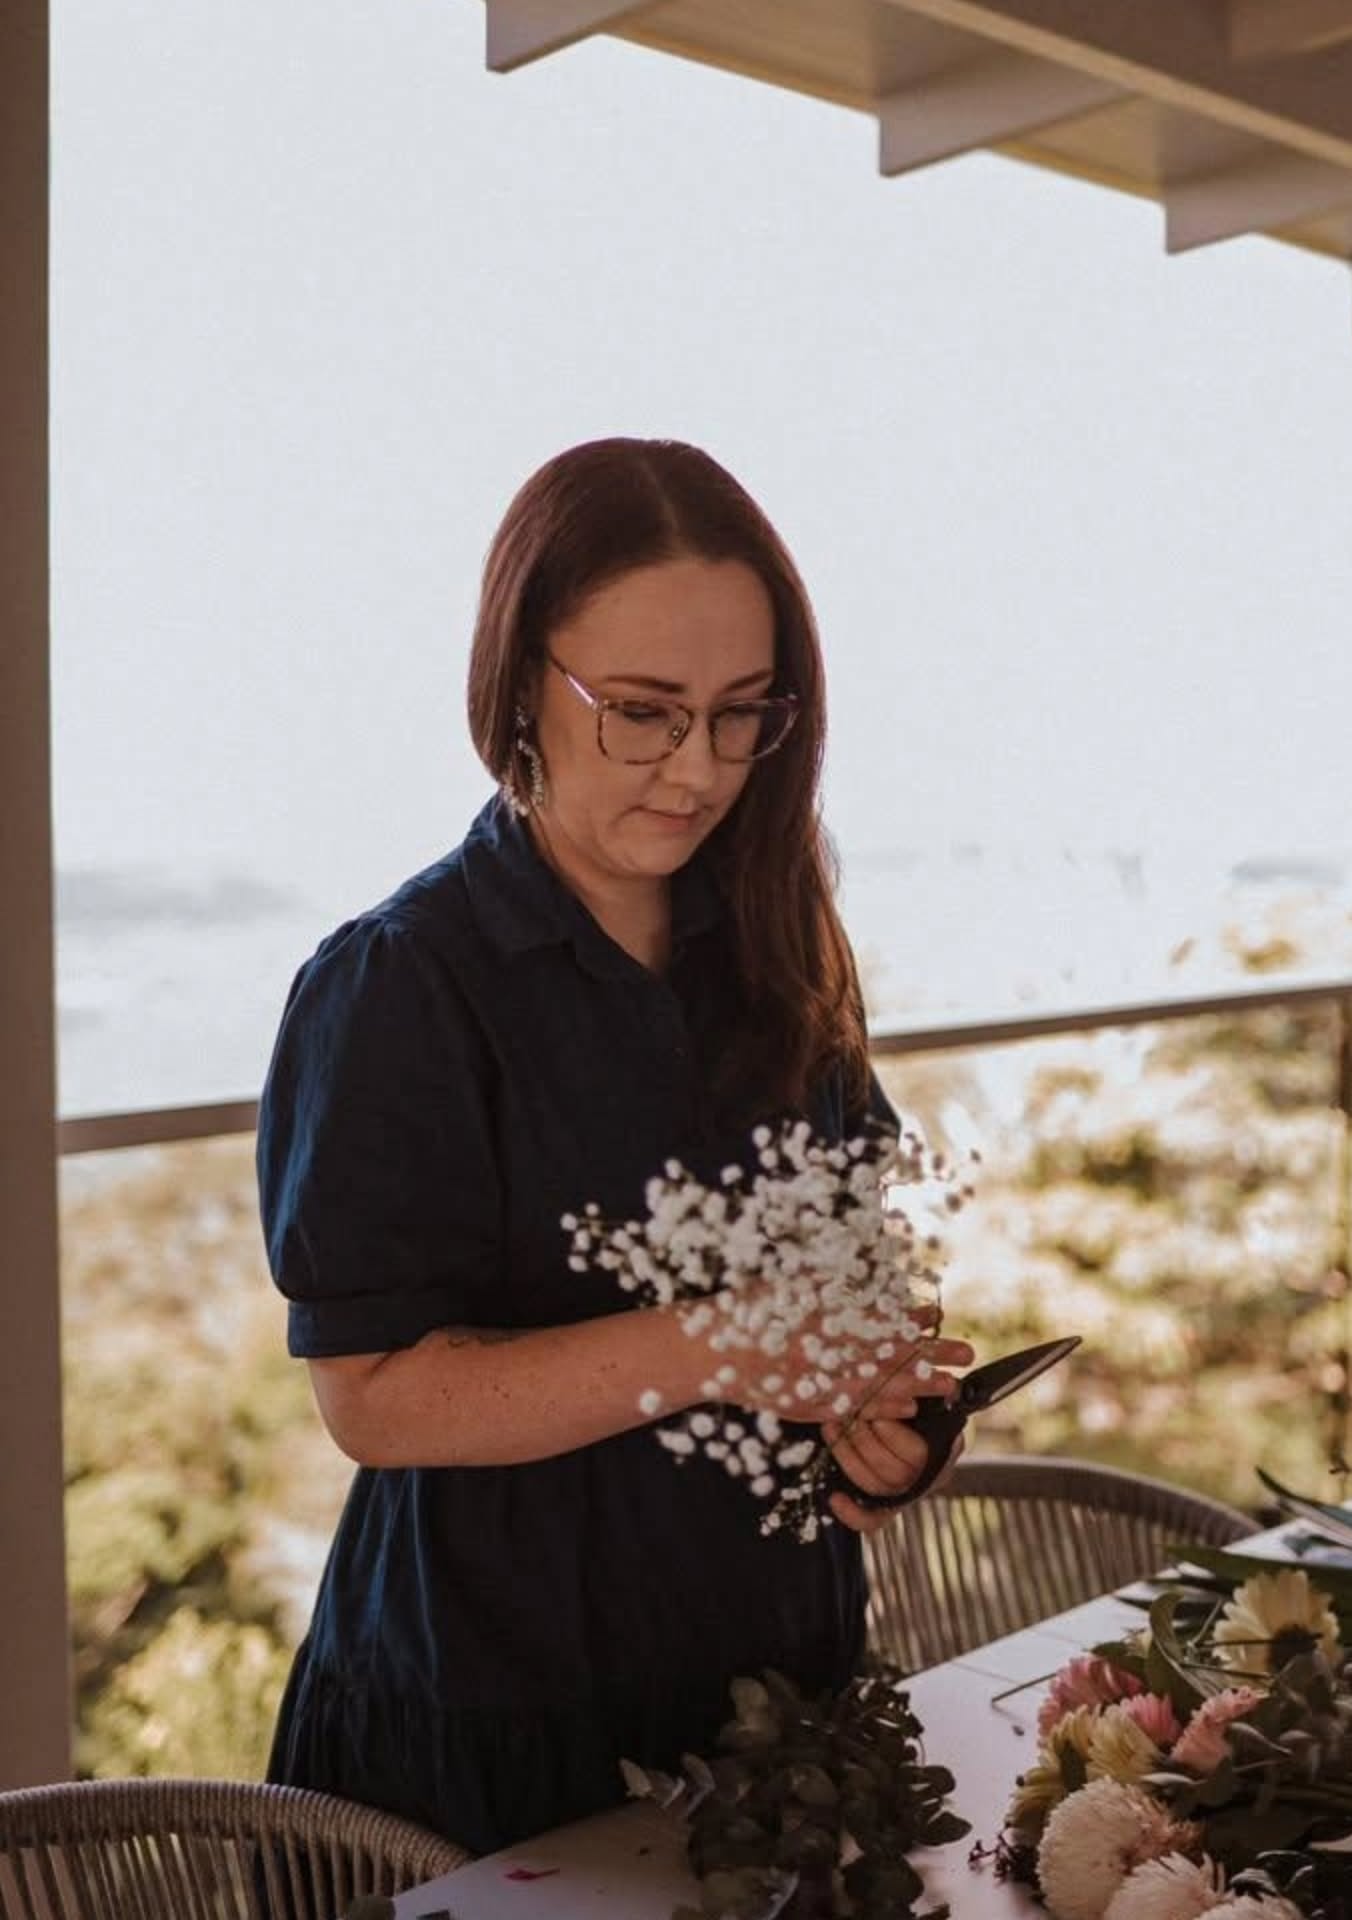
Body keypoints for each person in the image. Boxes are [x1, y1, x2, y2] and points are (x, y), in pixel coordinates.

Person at [256, 437, 973, 1854]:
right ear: (521, 677)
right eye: (642, 714)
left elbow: (854, 1292)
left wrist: (888, 1438)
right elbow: (377, 1400)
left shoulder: (777, 947)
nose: (697, 769)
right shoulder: (404, 982)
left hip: (782, 1702)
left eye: (741, 715)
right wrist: (725, 1346)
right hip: (493, 1729)